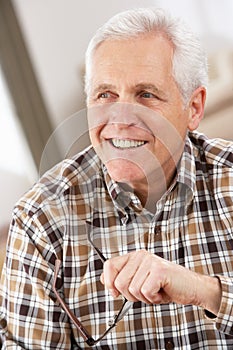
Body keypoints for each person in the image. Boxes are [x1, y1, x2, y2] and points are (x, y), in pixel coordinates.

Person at [0, 7, 233, 349]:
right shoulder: (40, 219)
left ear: (194, 108)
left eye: (146, 95)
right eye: (105, 94)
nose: (121, 118)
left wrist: (204, 291)